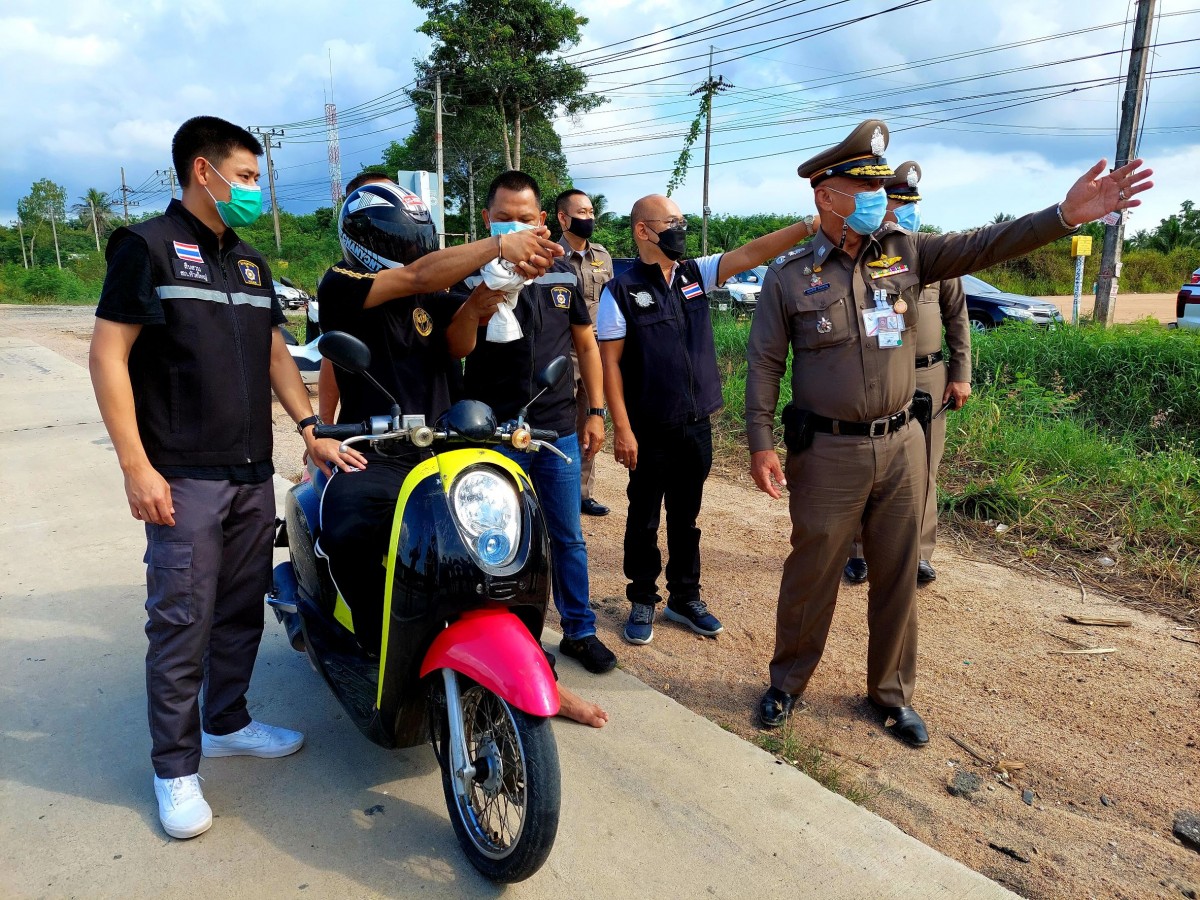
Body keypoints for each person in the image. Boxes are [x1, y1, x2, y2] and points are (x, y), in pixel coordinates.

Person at [745, 119, 1151, 744]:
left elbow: (986, 243)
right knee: (813, 572)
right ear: (827, 195)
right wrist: (761, 443)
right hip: (826, 452)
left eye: (883, 187)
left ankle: (890, 694)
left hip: (904, 444)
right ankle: (787, 683)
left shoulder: (906, 253)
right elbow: (767, 363)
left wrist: (1063, 217)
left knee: (899, 572)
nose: (880, 198)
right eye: (866, 186)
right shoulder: (790, 276)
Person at [88, 116, 360, 840]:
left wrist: (311, 431)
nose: (252, 188)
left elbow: (274, 352)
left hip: (247, 474)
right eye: (243, 176)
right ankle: (175, 772)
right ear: (202, 173)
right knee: (181, 624)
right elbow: (107, 355)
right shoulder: (144, 248)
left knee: (241, 607)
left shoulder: (248, 262)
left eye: (255, 177)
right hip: (180, 475)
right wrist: (134, 465)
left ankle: (227, 722)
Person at [597, 194, 819, 646]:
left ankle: (684, 597)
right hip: (648, 429)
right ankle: (642, 597)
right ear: (643, 231)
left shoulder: (695, 273)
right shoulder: (619, 291)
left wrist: (806, 226)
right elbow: (610, 365)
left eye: (682, 220)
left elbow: (751, 253)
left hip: (696, 425)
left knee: (687, 517)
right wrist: (621, 427)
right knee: (643, 517)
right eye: (671, 222)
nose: (680, 228)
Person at [448, 170, 618, 676]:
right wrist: (481, 302)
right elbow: (453, 350)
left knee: (566, 535)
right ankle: (511, 635)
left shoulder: (564, 272)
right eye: (504, 219)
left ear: (542, 220)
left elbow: (586, 346)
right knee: (495, 537)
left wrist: (594, 412)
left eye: (525, 217)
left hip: (554, 428)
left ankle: (580, 631)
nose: (516, 225)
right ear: (487, 220)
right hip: (487, 431)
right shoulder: (466, 275)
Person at [842, 161, 972, 587]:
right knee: (872, 463)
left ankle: (918, 552)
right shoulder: (870, 256)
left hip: (932, 376)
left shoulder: (935, 256)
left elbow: (958, 318)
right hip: (883, 372)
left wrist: (960, 373)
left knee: (926, 466)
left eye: (912, 204)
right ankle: (859, 552)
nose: (907, 212)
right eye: (899, 203)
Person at [315, 170, 395, 423]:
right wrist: (325, 426)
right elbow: (333, 360)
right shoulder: (344, 278)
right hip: (369, 426)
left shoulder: (425, 273)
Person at [555, 188, 614, 517]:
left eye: (592, 212)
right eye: (582, 213)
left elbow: (610, 304)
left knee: (591, 419)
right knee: (560, 426)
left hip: (592, 353)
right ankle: (553, 490)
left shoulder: (602, 256)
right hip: (560, 351)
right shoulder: (550, 255)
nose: (589, 218)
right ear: (564, 218)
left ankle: (582, 493)